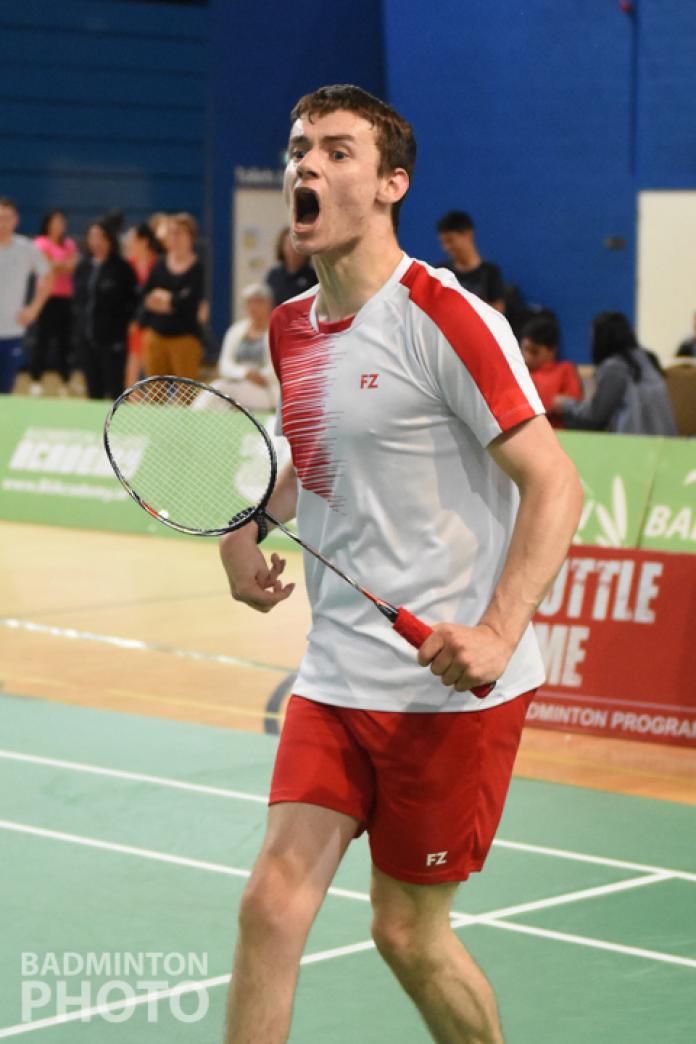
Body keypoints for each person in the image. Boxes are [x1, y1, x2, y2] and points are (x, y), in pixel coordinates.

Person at [219, 84, 583, 1044]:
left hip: (445, 689)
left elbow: (556, 484)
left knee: (407, 934)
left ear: (391, 185)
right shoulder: (292, 328)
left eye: (337, 152)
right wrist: (243, 521)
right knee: (270, 906)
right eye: (300, 148)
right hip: (337, 668)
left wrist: (500, 629)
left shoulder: (445, 317)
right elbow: (315, 450)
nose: (307, 165)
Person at [552, 311, 677, 435]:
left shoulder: (615, 367)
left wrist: (566, 405)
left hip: (635, 442)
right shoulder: (648, 358)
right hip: (665, 441)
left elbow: (597, 413)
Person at [73, 220, 137, 400]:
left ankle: (114, 426)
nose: (97, 241)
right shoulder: (83, 266)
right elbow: (78, 302)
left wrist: (121, 328)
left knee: (115, 388)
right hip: (86, 339)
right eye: (92, 237)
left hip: (112, 341)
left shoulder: (122, 268)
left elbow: (132, 302)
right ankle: (95, 426)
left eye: (101, 237)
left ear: (110, 239)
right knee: (93, 390)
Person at [140, 212, 205, 380]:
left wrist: (167, 299)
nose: (175, 237)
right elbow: (147, 296)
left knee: (186, 393)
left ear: (190, 236)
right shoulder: (160, 263)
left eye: (180, 232)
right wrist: (171, 301)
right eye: (172, 232)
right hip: (157, 334)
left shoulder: (197, 267)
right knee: (154, 392)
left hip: (184, 337)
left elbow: (188, 302)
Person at [0, 197, 53, 394]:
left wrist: (34, 309)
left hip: (12, 331)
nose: (2, 223)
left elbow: (47, 276)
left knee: (5, 391)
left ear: (16, 220)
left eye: (7, 218)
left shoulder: (25, 248)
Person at [207, 283, 277, 411]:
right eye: (250, 302)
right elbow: (225, 365)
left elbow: (278, 368)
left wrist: (260, 376)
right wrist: (245, 373)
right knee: (219, 391)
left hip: (266, 391)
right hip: (236, 384)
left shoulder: (278, 332)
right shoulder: (235, 330)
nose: (254, 307)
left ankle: (191, 418)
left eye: (259, 302)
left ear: (269, 304)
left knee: (221, 389)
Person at [31, 209, 79, 395]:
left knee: (64, 341)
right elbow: (44, 267)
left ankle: (66, 380)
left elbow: (72, 266)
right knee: (42, 340)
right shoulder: (40, 242)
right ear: (48, 224)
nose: (60, 226)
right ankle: (36, 379)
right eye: (56, 222)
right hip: (45, 298)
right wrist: (59, 265)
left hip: (65, 298)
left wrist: (57, 264)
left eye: (62, 222)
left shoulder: (69, 243)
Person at [519, 315, 583, 428]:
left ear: (552, 351)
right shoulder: (516, 370)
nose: (527, 357)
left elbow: (574, 404)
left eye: (534, 352)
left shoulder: (565, 370)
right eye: (524, 349)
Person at [436, 210, 505, 311]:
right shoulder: (440, 272)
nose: (446, 247)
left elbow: (498, 311)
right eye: (443, 243)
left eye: (450, 240)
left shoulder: (490, 272)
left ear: (468, 234)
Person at [124, 222, 161, 388]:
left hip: (155, 324)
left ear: (144, 241)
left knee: (154, 368)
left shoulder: (158, 264)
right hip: (135, 324)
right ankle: (132, 402)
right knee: (133, 365)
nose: (129, 244)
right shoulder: (128, 265)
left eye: (133, 240)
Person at [265, 226, 317, 306]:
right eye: (289, 245)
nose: (293, 249)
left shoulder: (314, 276)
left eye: (297, 245)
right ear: (281, 247)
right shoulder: (274, 275)